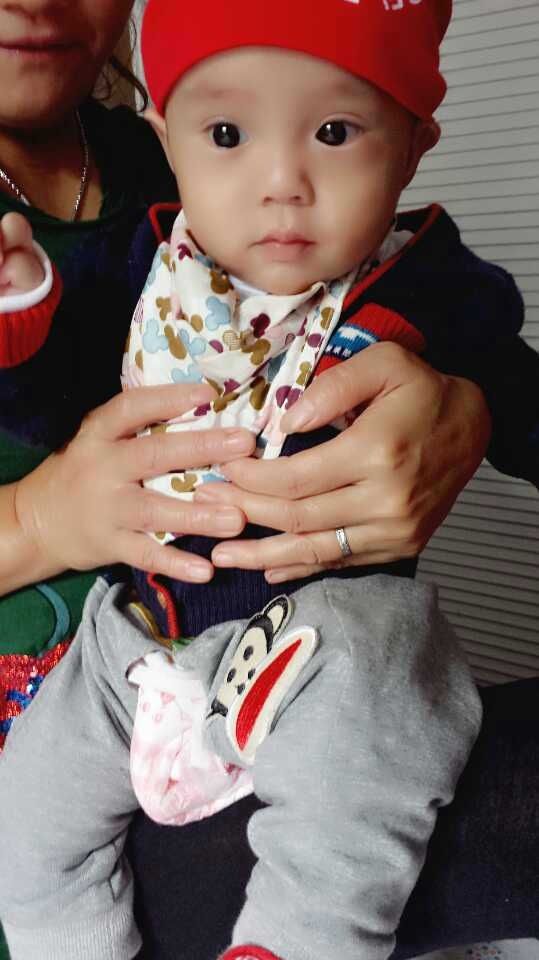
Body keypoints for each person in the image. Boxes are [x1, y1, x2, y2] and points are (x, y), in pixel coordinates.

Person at [1, 3, 538, 960]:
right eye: (226, 137)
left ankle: (297, 943)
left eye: (333, 132)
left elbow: (513, 386)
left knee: (364, 770)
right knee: (30, 812)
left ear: (412, 147)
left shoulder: (423, 279)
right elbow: (58, 391)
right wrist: (24, 314)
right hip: (136, 642)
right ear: (172, 143)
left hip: (324, 643)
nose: (281, 182)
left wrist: (470, 409)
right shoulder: (150, 263)